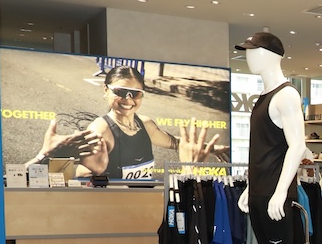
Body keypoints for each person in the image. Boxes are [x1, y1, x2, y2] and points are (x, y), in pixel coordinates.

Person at [234, 31, 308, 244]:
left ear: (272, 55)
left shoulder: (286, 95)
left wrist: (280, 191)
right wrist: (250, 187)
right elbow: (262, 150)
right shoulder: (263, 98)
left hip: (275, 196)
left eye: (255, 51)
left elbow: (297, 146)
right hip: (259, 193)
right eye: (248, 51)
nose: (249, 56)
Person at [64, 66, 226, 179]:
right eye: (120, 91)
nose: (128, 99)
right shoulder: (101, 131)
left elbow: (177, 143)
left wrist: (210, 148)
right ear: (106, 90)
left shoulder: (145, 124)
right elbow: (83, 177)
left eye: (135, 94)